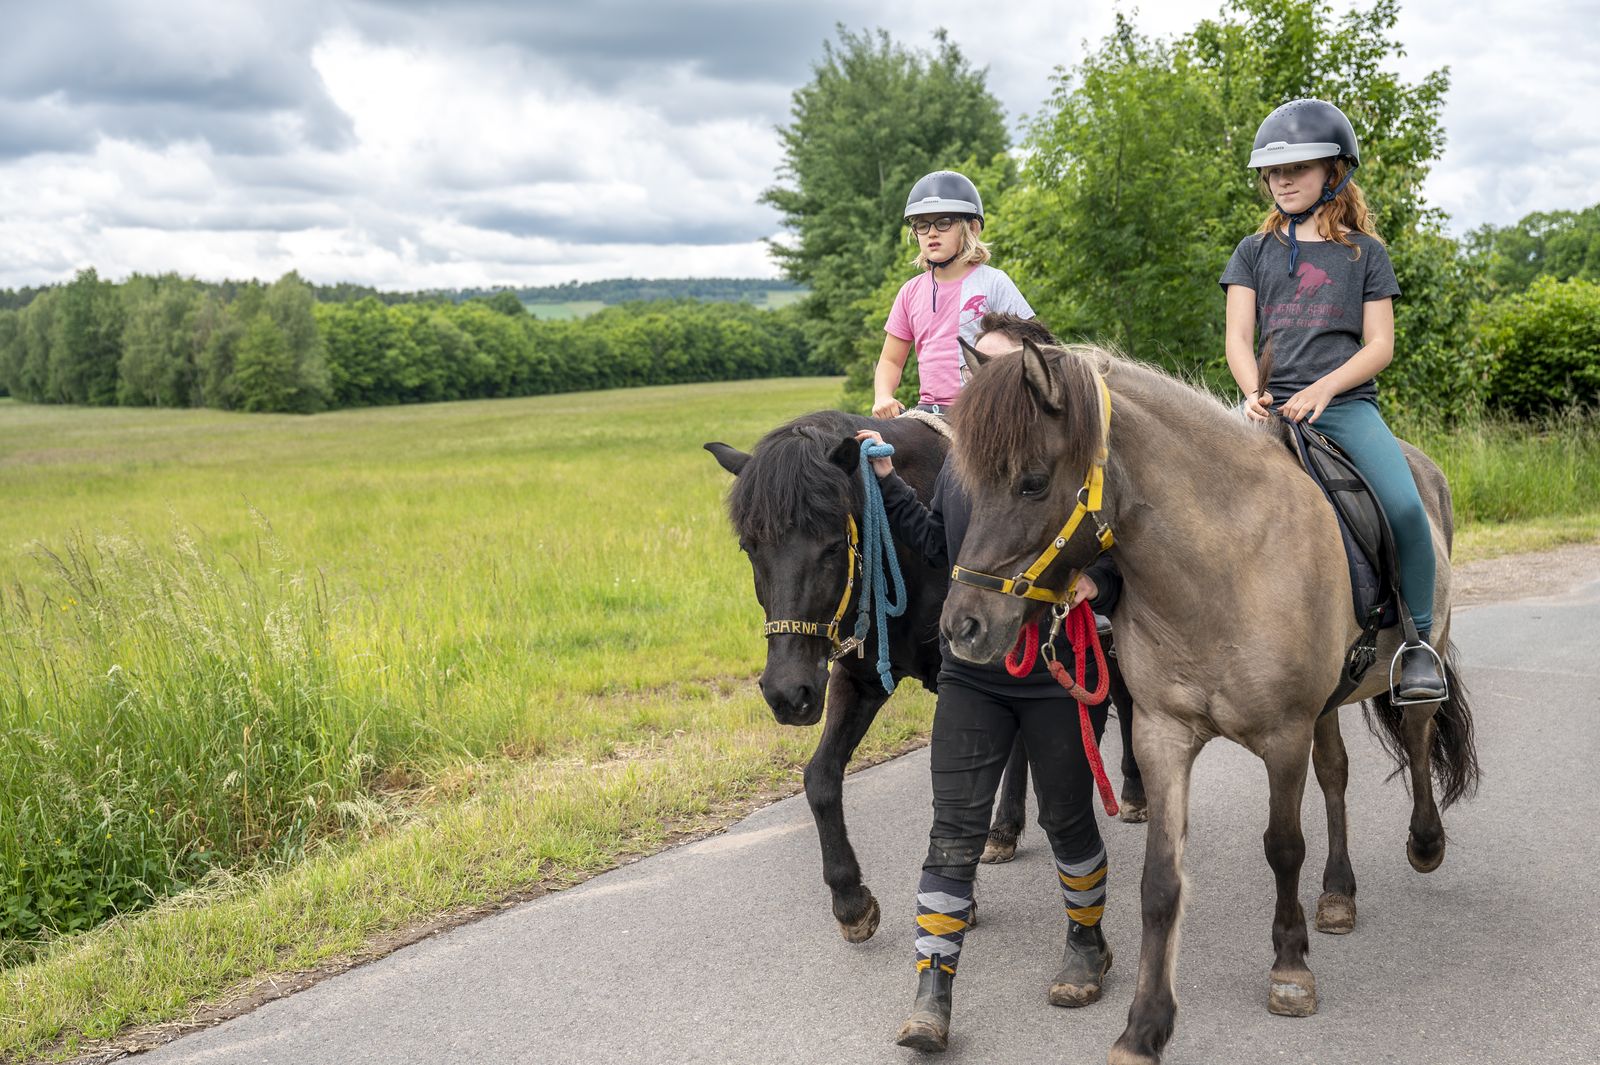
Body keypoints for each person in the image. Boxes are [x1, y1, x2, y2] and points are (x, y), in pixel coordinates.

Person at [857, 315, 1121, 1053]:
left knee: (1066, 821)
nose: (984, 384)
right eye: (979, 373)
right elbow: (947, 546)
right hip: (972, 673)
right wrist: (887, 486)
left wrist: (1093, 588)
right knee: (955, 826)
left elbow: (1114, 551)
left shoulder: (1072, 459)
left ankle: (1086, 941)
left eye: (999, 371)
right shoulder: (965, 463)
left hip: (1054, 671)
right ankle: (931, 989)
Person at [1220, 98, 1445, 700]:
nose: (1283, 180)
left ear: (1335, 172)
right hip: (1268, 411)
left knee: (1402, 509)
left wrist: (1324, 388)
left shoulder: (1365, 254)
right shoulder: (1253, 251)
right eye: (1274, 171)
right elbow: (1238, 339)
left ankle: (1420, 645)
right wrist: (1253, 392)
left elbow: (1379, 346)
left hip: (1344, 407)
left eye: (1299, 167)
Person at [872, 171, 1034, 418]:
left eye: (944, 222)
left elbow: (1034, 347)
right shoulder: (910, 292)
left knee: (955, 459)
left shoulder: (993, 282)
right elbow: (891, 361)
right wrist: (883, 396)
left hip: (982, 410)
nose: (932, 233)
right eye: (922, 225)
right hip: (927, 410)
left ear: (972, 227)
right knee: (869, 450)